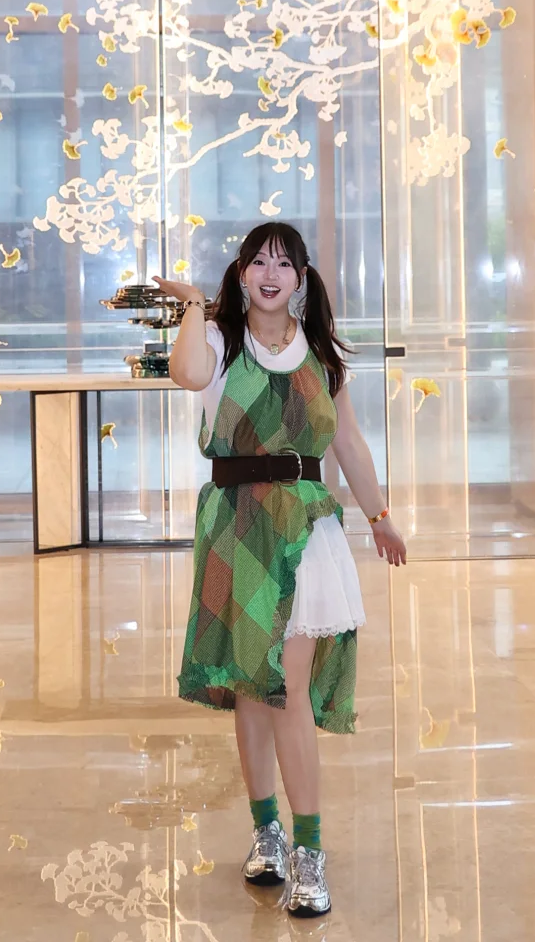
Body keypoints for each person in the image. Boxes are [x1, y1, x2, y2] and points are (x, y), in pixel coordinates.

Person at [153, 222, 406, 919]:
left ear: (300, 277)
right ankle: (266, 830)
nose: (271, 273)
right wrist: (195, 306)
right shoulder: (218, 339)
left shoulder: (319, 353)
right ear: (242, 274)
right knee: (250, 690)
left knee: (286, 688)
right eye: (259, 262)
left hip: (303, 529)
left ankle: (308, 851)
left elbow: (348, 442)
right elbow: (188, 375)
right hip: (235, 529)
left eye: (284, 263)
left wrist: (381, 516)